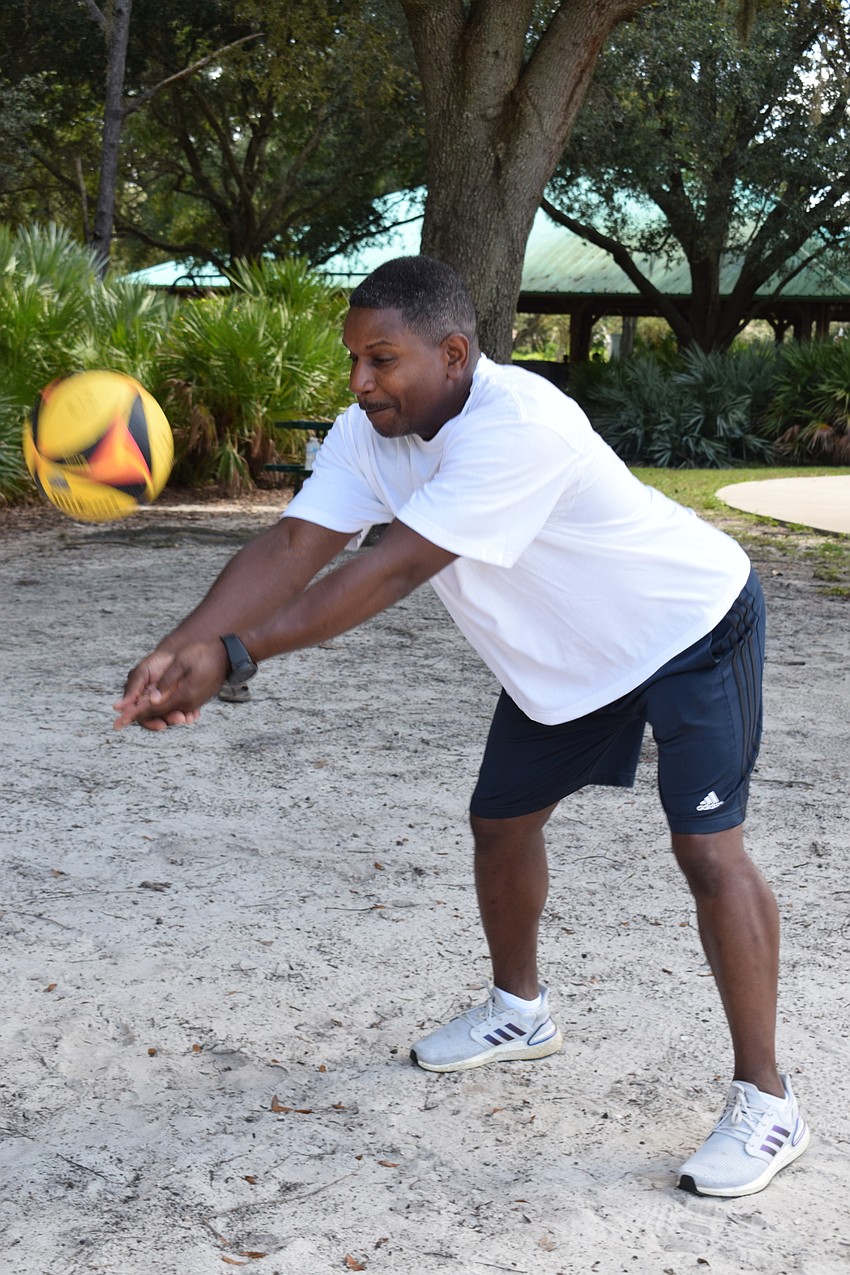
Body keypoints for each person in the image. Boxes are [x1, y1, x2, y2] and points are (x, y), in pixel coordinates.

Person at [114, 255, 809, 1199]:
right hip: (566, 661)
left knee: (707, 851)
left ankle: (768, 1100)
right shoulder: (373, 434)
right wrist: (179, 646)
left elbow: (393, 570)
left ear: (453, 352)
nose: (360, 382)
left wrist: (234, 657)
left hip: (687, 625)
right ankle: (520, 1010)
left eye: (382, 360)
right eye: (355, 359)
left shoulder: (519, 425)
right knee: (501, 822)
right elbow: (294, 544)